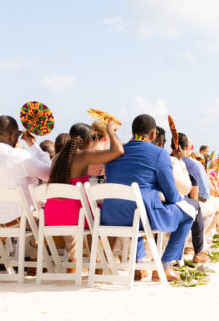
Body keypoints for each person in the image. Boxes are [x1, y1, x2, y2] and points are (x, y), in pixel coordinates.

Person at [102, 114, 194, 282]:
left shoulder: (115, 152)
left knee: (134, 207)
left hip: (111, 214)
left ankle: (138, 265)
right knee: (189, 213)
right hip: (141, 214)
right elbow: (172, 195)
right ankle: (164, 266)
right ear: (153, 135)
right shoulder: (159, 153)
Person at [44, 122, 123, 256]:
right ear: (88, 139)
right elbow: (118, 151)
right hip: (76, 217)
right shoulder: (85, 155)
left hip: (52, 217)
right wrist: (111, 131)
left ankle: (96, 261)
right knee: (103, 211)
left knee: (89, 209)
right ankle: (100, 262)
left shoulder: (56, 158)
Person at [0, 115, 52, 225]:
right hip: (23, 221)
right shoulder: (20, 156)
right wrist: (33, 145)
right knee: (57, 215)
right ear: (13, 135)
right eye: (18, 134)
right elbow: (49, 173)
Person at [154, 127, 209, 264]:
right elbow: (185, 188)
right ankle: (194, 253)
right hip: (169, 204)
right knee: (194, 208)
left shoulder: (156, 157)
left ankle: (149, 255)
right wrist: (179, 162)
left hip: (145, 205)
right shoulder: (182, 162)